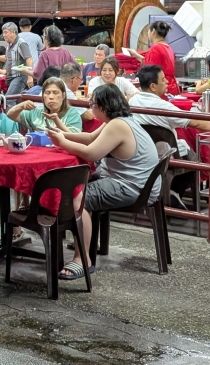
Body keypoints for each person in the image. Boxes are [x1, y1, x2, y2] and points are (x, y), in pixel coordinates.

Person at [49, 83, 161, 280]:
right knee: (78, 187)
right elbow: (90, 137)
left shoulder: (117, 125)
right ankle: (83, 238)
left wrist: (62, 142)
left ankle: (82, 259)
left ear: (103, 106)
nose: (91, 107)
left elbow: (91, 153)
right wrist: (61, 133)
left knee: (77, 197)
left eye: (92, 104)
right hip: (139, 183)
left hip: (130, 187)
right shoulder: (121, 120)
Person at [6, 76, 82, 133]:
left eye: (55, 93)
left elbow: (74, 137)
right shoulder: (37, 112)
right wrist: (21, 106)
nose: (51, 97)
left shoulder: (72, 113)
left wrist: (56, 120)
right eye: (47, 93)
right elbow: (10, 115)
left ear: (63, 95)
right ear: (43, 96)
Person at [128, 20, 180, 95]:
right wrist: (136, 55)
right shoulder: (168, 47)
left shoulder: (155, 48)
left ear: (153, 31)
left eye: (148, 30)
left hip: (160, 87)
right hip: (170, 85)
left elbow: (149, 70)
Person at [1, 22, 33, 95]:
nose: (4, 35)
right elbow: (6, 58)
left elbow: (29, 59)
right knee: (14, 99)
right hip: (11, 77)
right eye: (3, 33)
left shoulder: (21, 43)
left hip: (19, 77)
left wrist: (30, 77)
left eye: (6, 32)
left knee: (9, 99)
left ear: (13, 32)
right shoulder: (8, 44)